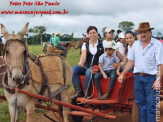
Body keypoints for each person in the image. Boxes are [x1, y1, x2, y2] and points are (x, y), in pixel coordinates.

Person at [118, 22, 163, 122]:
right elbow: (131, 62)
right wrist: (123, 73)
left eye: (145, 32)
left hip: (151, 79)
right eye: (141, 32)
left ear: (150, 32)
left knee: (151, 106)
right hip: (138, 78)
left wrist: (158, 80)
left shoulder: (157, 45)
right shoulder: (136, 45)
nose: (143, 34)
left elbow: (161, 64)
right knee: (141, 106)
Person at [70, 26, 104, 99]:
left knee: (88, 73)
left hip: (97, 66)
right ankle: (78, 92)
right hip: (86, 65)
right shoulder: (85, 44)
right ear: (88, 35)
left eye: (94, 33)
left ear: (97, 34)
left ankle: (86, 92)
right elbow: (83, 55)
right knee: (73, 70)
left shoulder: (102, 44)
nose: (92, 34)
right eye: (90, 33)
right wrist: (81, 62)